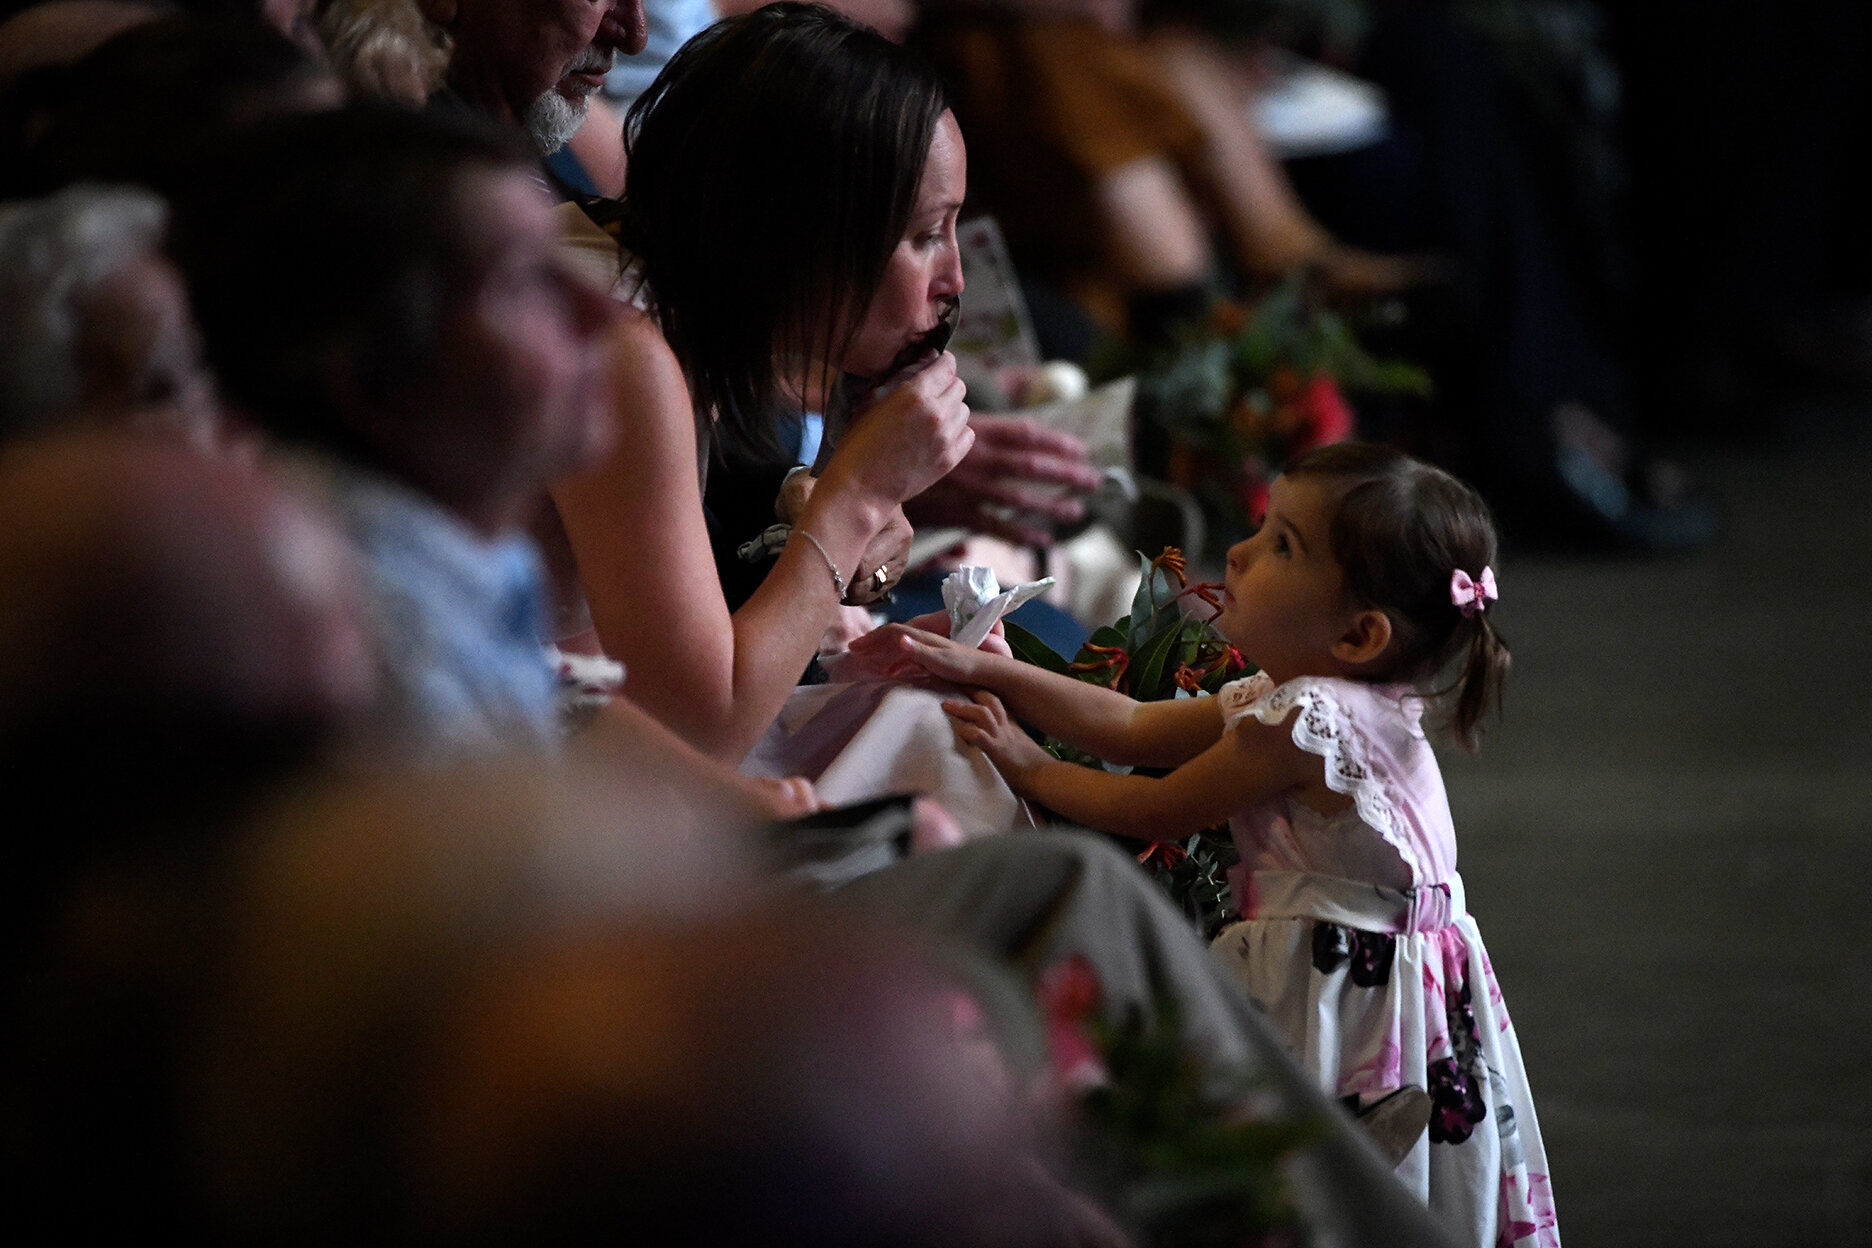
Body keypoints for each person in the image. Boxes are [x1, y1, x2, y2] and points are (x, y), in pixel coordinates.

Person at [857, 441, 1559, 1246]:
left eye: (1281, 546)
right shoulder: (1328, 698)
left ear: (1360, 635)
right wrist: (1001, 674)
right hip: (1397, 989)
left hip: (1336, 997)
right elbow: (1133, 725)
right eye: (1263, 526)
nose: (1238, 550)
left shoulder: (1306, 723)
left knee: (1295, 1168)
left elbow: (1156, 808)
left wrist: (1025, 762)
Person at [550, 3, 976, 761]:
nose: (955, 279)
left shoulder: (686, 308)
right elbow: (700, 725)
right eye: (923, 235)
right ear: (797, 234)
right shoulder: (621, 350)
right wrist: (859, 494)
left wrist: (859, 554)